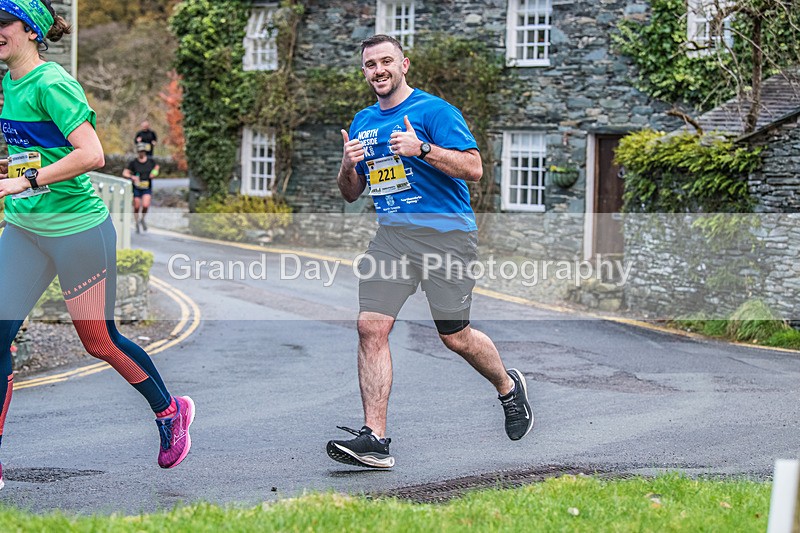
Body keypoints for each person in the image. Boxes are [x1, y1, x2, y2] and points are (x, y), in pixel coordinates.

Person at [0, 0, 194, 490]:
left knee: (98, 340)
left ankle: (170, 411)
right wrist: (13, 177)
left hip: (77, 231)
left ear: (28, 29)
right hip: (26, 229)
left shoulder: (52, 83)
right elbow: (34, 155)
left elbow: (92, 154)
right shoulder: (9, 83)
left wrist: (24, 182)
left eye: (1, 23)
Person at [327, 34, 533, 469]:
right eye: (370, 65)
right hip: (393, 238)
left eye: (386, 61)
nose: (378, 70)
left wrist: (421, 148)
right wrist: (347, 164)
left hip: (447, 238)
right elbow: (351, 193)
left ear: (404, 65)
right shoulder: (363, 121)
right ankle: (375, 439)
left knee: (455, 336)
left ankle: (508, 388)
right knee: (370, 328)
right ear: (364, 71)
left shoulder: (435, 112)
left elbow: (474, 168)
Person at [123, 142, 159, 233]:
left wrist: (154, 173)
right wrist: (132, 177)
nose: (141, 153)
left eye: (143, 151)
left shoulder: (150, 161)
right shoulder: (133, 163)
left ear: (145, 152)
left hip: (147, 187)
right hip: (137, 187)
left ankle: (142, 218)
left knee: (146, 205)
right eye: (140, 151)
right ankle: (136, 222)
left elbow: (157, 167)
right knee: (137, 206)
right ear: (137, 152)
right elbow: (125, 173)